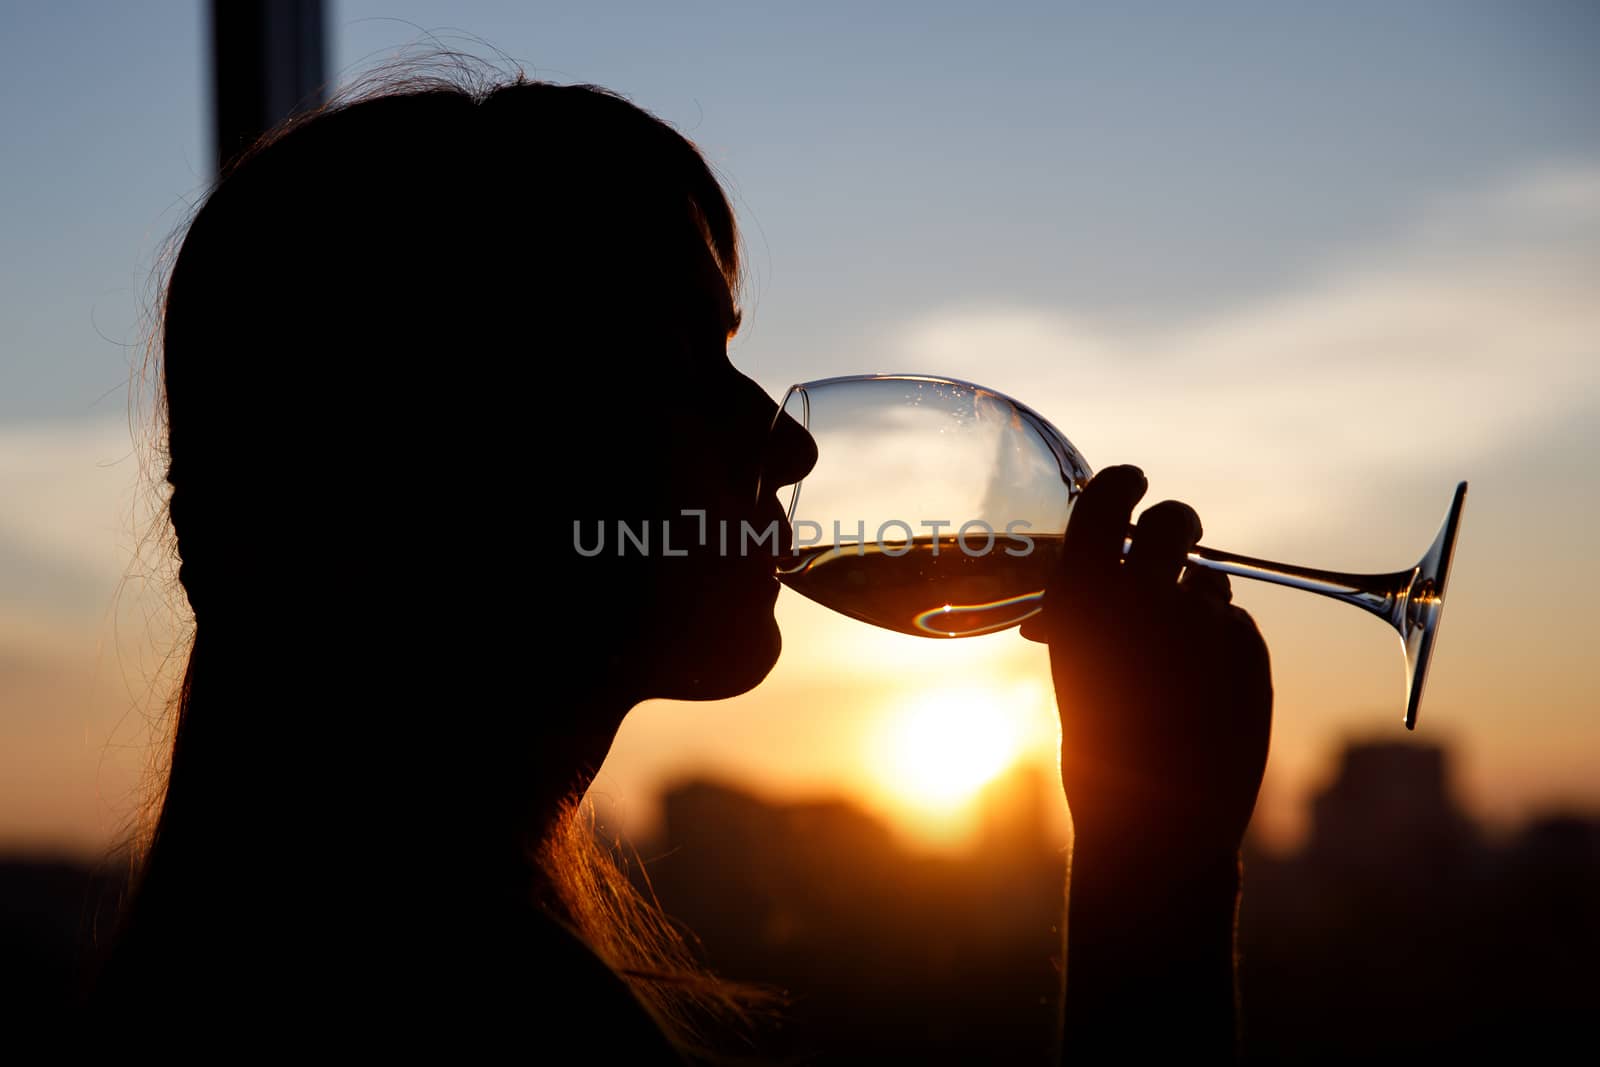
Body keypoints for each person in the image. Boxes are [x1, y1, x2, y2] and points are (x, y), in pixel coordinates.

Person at [89, 73, 1272, 1062]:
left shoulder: (274, 961)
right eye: (669, 360)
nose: (789, 441)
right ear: (429, 451)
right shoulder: (464, 1011)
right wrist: (1155, 871)